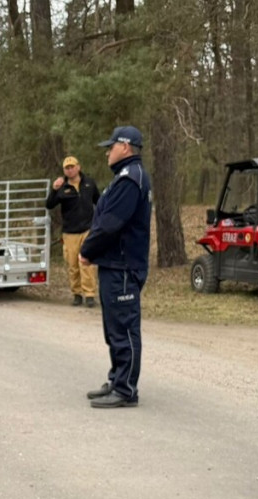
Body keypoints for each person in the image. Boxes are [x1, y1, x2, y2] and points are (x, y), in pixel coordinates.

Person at [81, 126, 152, 409]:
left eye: (111, 147)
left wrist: (87, 250)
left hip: (123, 266)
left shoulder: (130, 180)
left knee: (123, 328)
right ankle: (117, 379)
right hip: (114, 264)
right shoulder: (123, 178)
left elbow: (111, 223)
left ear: (125, 147)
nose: (108, 152)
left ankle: (125, 389)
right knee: (114, 329)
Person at [46, 155, 100, 307]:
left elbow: (99, 201)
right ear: (64, 170)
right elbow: (49, 205)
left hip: (88, 230)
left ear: (78, 167)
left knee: (87, 264)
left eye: (72, 167)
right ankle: (77, 294)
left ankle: (89, 295)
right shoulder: (62, 187)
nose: (70, 170)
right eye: (67, 168)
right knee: (72, 265)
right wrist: (54, 190)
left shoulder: (89, 183)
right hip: (70, 232)